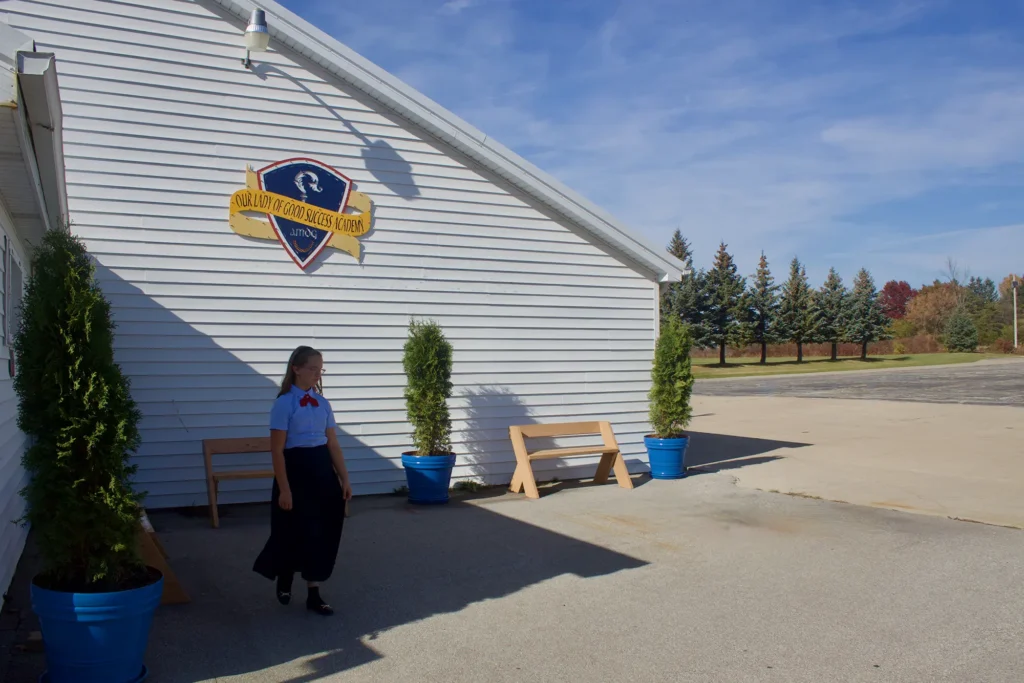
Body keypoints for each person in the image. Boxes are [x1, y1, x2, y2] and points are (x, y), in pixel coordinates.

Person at [253, 345, 352, 616]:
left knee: (322, 532)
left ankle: (314, 594)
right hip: (295, 472)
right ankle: (284, 577)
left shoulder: (323, 404)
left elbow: (332, 444)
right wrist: (284, 489)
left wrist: (344, 478)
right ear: (296, 369)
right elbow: (276, 450)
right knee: (292, 530)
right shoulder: (284, 403)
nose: (318, 373)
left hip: (322, 471)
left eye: (321, 369)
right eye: (313, 368)